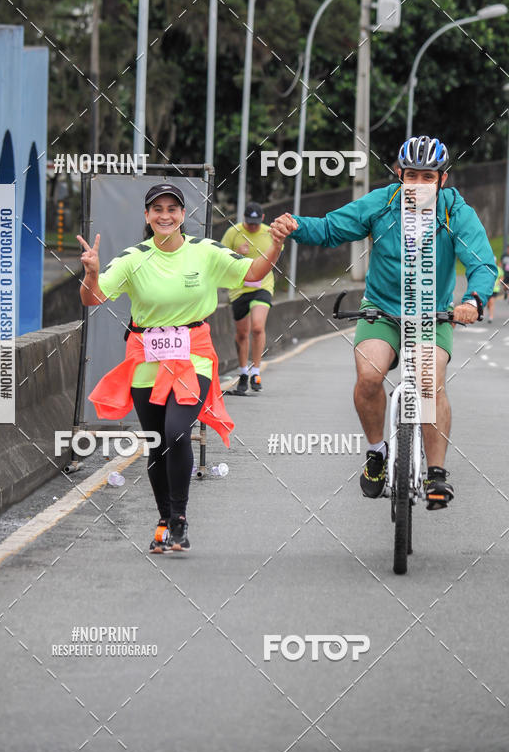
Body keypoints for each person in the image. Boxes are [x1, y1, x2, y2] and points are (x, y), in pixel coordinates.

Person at [270, 136, 496, 510]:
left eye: (428, 176)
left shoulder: (455, 211)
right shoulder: (383, 202)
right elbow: (331, 229)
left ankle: (436, 475)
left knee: (430, 382)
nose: (419, 184)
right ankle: (377, 452)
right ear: (398, 173)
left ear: (443, 179)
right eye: (412, 175)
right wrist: (294, 226)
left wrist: (472, 300)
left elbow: (481, 263)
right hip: (382, 309)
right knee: (369, 376)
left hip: (431, 313)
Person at [77, 183, 283, 553]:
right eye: (158, 209)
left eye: (173, 208)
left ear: (182, 215)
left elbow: (252, 273)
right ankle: (163, 519)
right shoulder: (132, 257)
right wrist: (91, 272)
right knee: (157, 443)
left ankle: (180, 518)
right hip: (145, 358)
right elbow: (93, 298)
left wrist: (277, 245)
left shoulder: (204, 251)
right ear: (147, 216)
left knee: (176, 433)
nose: (165, 215)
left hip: (194, 357)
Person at [221, 202, 277, 394]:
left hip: (262, 285)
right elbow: (220, 259)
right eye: (249, 223)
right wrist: (236, 254)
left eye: (255, 223)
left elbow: (275, 256)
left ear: (262, 219)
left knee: (257, 327)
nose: (252, 227)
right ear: (243, 219)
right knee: (243, 333)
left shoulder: (270, 232)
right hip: (239, 288)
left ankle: (256, 371)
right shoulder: (233, 233)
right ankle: (243, 372)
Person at [486, 257, 502, 322]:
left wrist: (499, 282)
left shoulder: (499, 269)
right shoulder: (487, 269)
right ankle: (488, 307)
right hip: (487, 289)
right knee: (488, 303)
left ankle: (491, 317)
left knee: (492, 302)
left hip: (495, 289)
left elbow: (502, 276)